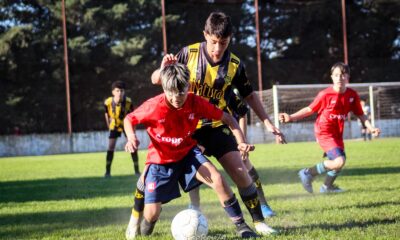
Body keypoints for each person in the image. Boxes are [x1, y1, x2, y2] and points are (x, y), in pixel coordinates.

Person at [150, 11, 285, 234]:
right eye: (213, 42)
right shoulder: (188, 54)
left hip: (216, 127)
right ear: (205, 35)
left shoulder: (234, 65)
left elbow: (249, 95)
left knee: (241, 171)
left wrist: (268, 123)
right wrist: (163, 67)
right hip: (188, 131)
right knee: (212, 178)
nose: (217, 48)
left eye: (223, 43)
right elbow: (156, 80)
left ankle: (259, 223)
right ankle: (163, 211)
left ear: (230, 39)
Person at [124, 63, 258, 239]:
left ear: (188, 86)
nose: (176, 97)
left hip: (187, 153)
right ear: (164, 88)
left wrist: (240, 142)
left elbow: (228, 119)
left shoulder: (195, 102)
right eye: (171, 92)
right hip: (160, 160)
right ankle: (140, 224)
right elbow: (129, 119)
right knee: (152, 213)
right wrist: (131, 137)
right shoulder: (154, 106)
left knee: (217, 179)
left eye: (181, 92)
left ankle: (242, 226)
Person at [279, 62, 381, 193]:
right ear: (332, 77)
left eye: (343, 75)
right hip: (324, 132)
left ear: (348, 77)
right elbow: (310, 109)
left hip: (337, 134)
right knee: (339, 161)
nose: (339, 78)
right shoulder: (325, 94)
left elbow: (361, 115)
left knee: (337, 163)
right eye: (336, 75)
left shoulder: (352, 95)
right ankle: (307, 173)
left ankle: (327, 187)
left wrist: (371, 128)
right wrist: (291, 117)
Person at [103, 80, 140, 178]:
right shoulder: (108, 102)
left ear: (124, 92)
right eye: (117, 91)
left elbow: (133, 116)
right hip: (114, 126)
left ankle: (137, 170)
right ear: (113, 92)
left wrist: (133, 132)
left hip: (126, 125)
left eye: (122, 91)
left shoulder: (128, 102)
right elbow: (106, 114)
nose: (120, 93)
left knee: (133, 146)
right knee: (110, 147)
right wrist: (109, 126)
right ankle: (107, 172)